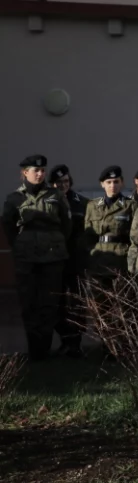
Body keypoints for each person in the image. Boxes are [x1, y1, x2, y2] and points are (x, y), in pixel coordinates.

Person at [1, 155, 71, 361]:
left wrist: (54, 242)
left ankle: (45, 349)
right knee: (29, 302)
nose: (40, 174)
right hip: (27, 257)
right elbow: (8, 226)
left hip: (52, 256)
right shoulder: (14, 198)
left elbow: (67, 226)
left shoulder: (55, 195)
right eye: (35, 170)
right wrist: (22, 245)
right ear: (24, 172)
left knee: (49, 303)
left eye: (42, 170)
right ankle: (35, 351)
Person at [48, 164, 89, 357]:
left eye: (65, 181)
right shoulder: (48, 204)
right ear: (52, 185)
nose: (62, 185)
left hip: (75, 261)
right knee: (55, 303)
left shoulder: (81, 203)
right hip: (54, 261)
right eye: (58, 182)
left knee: (77, 303)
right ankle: (65, 339)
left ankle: (76, 342)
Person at [84, 165, 137, 293]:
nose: (112, 185)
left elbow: (135, 235)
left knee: (122, 302)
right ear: (102, 184)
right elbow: (87, 235)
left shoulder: (130, 205)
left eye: (116, 182)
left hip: (120, 259)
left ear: (122, 183)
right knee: (99, 303)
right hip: (98, 260)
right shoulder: (92, 206)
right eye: (108, 182)